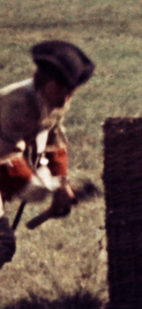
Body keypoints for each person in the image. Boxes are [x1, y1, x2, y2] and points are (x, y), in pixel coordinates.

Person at [1, 41, 94, 268]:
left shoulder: (54, 102)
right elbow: (6, 162)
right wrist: (48, 190)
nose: (65, 98)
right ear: (43, 81)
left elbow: (54, 142)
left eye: (71, 91)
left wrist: (61, 183)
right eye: (60, 89)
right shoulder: (17, 104)